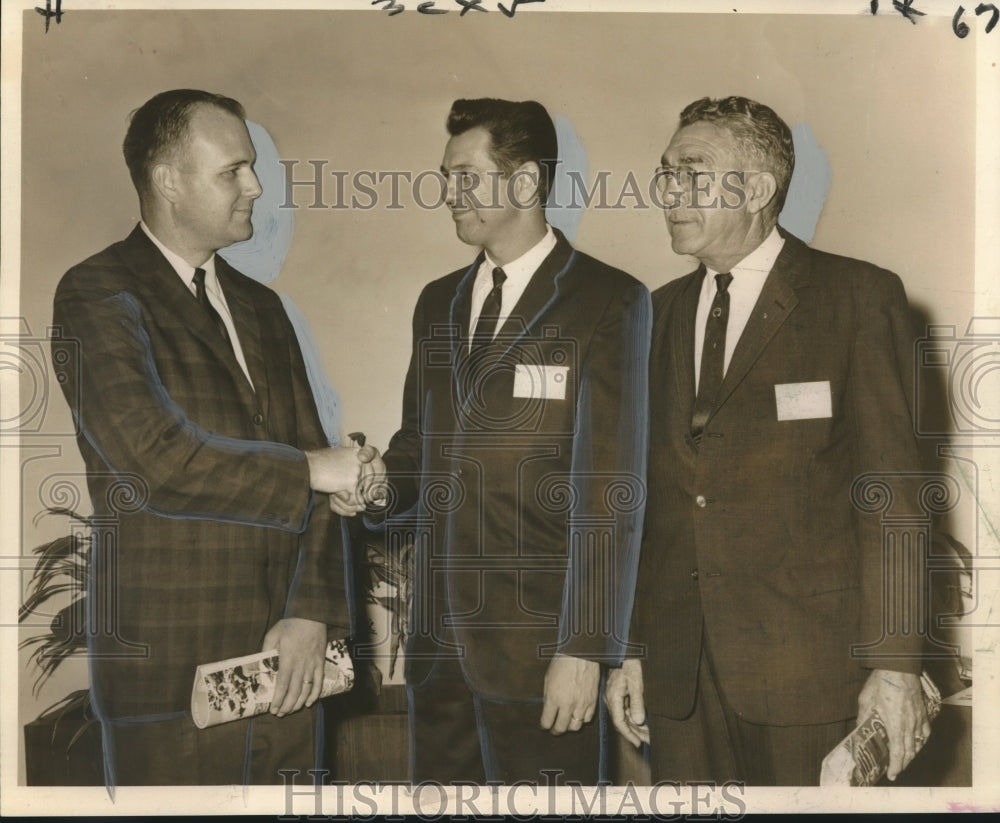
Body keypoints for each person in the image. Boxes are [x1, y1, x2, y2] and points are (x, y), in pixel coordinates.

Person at [50, 89, 380, 786]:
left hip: (293, 672)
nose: (255, 186)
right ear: (169, 181)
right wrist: (315, 470)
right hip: (170, 686)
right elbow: (156, 458)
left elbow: (323, 476)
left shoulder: (263, 308)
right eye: (234, 171)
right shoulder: (96, 293)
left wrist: (311, 613)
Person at [605, 95, 930, 786]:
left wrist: (897, 665)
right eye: (665, 173)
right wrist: (632, 649)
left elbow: (893, 496)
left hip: (812, 675)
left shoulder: (856, 297)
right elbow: (652, 503)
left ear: (756, 188)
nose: (669, 192)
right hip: (681, 681)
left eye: (692, 172)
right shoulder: (653, 315)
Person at [374, 98, 650, 785]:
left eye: (465, 176)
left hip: (542, 657)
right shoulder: (436, 302)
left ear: (525, 183)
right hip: (438, 652)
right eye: (445, 177)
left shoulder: (609, 301)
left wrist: (585, 648)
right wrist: (380, 482)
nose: (448, 196)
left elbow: (613, 488)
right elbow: (420, 442)